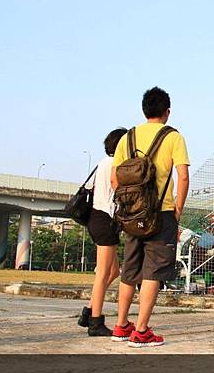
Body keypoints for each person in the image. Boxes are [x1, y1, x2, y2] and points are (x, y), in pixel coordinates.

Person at [110, 87, 190, 347]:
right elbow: (183, 176)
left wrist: (131, 206)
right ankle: (142, 330)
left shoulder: (128, 138)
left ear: (144, 110)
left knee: (129, 270)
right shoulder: (173, 137)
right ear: (167, 112)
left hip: (131, 216)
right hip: (161, 214)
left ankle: (121, 325)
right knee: (153, 272)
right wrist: (177, 208)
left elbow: (115, 179)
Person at [78, 128, 127, 336]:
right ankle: (96, 322)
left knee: (114, 271)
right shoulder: (114, 165)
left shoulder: (102, 163)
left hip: (97, 219)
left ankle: (89, 311)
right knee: (102, 274)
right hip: (104, 220)